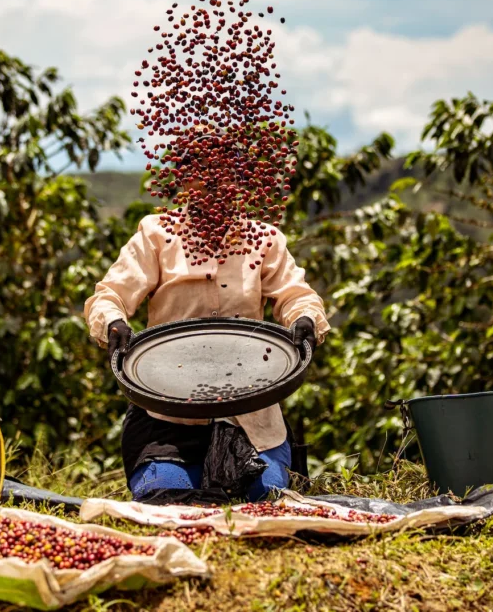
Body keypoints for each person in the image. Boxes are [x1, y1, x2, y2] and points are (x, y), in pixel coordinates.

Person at [84, 131, 329, 503]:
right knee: (165, 494)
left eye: (227, 174)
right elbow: (112, 293)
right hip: (168, 414)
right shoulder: (157, 234)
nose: (216, 185)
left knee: (267, 496)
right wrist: (113, 322)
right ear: (184, 180)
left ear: (242, 180)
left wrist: (304, 319)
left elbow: (297, 296)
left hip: (249, 412)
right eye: (203, 173)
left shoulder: (263, 240)